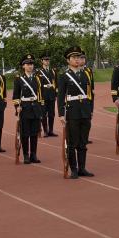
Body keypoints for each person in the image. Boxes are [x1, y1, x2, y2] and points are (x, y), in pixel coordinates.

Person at [57, 45, 94, 177]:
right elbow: (60, 96)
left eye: (78, 57)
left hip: (85, 110)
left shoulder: (86, 74)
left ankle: (82, 168)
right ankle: (73, 169)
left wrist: (91, 110)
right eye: (74, 57)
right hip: (72, 111)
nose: (77, 59)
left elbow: (90, 94)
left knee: (83, 142)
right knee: (72, 142)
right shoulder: (64, 76)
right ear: (68, 60)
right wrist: (61, 114)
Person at [12, 54, 44, 163]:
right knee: (25, 133)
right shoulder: (19, 79)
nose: (30, 66)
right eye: (28, 64)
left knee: (34, 133)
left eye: (31, 64)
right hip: (25, 108)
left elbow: (41, 95)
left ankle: (33, 154)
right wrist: (17, 106)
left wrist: (41, 108)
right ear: (23, 66)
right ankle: (25, 155)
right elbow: (16, 96)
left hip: (35, 108)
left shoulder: (38, 78)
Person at [38, 54, 58, 137]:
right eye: (45, 60)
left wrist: (56, 94)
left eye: (48, 60)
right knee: (43, 114)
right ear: (42, 61)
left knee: (51, 114)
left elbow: (56, 83)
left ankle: (51, 131)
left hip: (51, 95)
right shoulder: (38, 72)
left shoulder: (53, 71)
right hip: (43, 95)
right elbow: (37, 85)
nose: (47, 61)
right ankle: (45, 131)